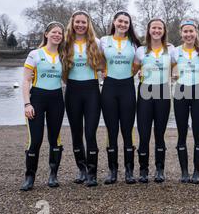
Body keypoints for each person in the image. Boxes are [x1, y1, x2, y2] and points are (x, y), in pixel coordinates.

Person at [61, 10, 105, 187]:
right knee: (76, 133)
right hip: (72, 91)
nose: (80, 25)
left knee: (90, 133)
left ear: (88, 25)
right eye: (77, 22)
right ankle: (82, 169)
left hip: (92, 91)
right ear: (72, 24)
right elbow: (59, 69)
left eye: (83, 22)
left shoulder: (96, 42)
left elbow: (104, 64)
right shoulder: (65, 43)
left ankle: (92, 172)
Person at [20, 22, 65, 191]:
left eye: (60, 33)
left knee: (55, 139)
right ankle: (29, 177)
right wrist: (27, 104)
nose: (57, 35)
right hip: (37, 98)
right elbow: (25, 80)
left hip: (57, 100)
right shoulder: (35, 54)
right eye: (54, 32)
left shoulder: (63, 55)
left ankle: (53, 175)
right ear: (46, 34)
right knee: (35, 140)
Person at [99, 11, 141, 185]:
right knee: (112, 130)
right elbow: (99, 60)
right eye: (120, 21)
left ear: (129, 25)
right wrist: (104, 71)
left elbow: (138, 65)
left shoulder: (134, 44)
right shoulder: (103, 41)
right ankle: (112, 170)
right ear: (114, 22)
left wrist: (127, 75)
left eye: (126, 22)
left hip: (127, 88)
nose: (123, 24)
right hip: (109, 88)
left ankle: (129, 171)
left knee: (127, 130)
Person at [134, 19, 175, 184]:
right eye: (154, 28)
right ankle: (143, 169)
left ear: (164, 31)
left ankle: (160, 169)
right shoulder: (141, 50)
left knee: (160, 133)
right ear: (149, 30)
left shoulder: (171, 50)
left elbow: (179, 68)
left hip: (163, 91)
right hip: (145, 91)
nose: (157, 30)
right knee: (143, 134)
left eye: (160, 28)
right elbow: (133, 70)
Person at [171, 20, 199, 184]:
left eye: (191, 31)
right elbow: (168, 69)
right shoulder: (175, 51)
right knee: (181, 133)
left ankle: (197, 172)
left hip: (198, 92)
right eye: (185, 31)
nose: (188, 34)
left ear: (196, 32)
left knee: (197, 132)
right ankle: (184, 172)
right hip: (180, 92)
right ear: (181, 33)